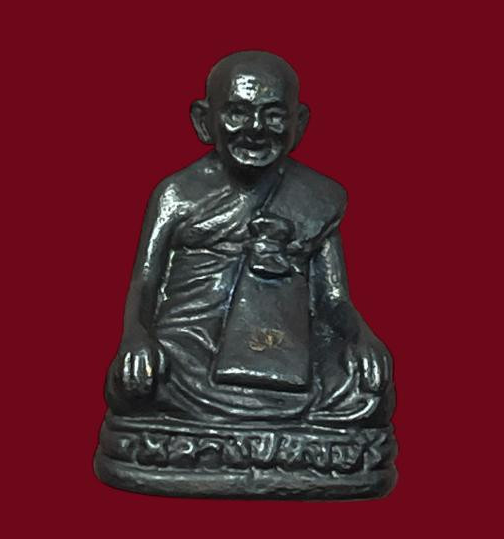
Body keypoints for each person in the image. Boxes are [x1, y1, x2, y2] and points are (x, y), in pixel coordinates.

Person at [105, 50, 394, 427]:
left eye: (274, 115)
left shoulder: (316, 199)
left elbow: (333, 298)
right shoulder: (178, 194)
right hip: (190, 350)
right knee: (139, 383)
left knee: (365, 389)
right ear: (204, 121)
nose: (256, 128)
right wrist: (135, 337)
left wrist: (363, 338)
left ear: (299, 124)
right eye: (237, 113)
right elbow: (145, 283)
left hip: (288, 346)